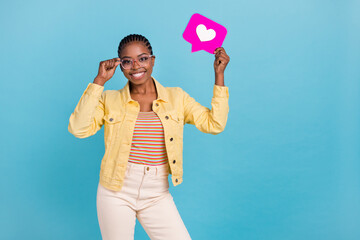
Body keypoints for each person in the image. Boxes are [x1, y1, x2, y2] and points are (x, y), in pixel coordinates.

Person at [68, 34, 230, 240]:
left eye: (142, 58)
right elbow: (78, 128)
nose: (136, 66)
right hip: (116, 191)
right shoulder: (109, 99)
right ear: (120, 65)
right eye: (128, 61)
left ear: (152, 60)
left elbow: (214, 124)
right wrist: (99, 81)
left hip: (156, 194)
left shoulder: (176, 97)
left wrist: (219, 75)